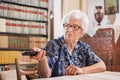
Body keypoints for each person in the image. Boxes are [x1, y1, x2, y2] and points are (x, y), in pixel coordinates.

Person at [31, 10, 106, 78]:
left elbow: (102, 66)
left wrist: (82, 70)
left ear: (82, 32)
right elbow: (45, 75)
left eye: (75, 27)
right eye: (67, 25)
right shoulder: (54, 45)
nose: (69, 30)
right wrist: (42, 60)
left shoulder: (83, 47)